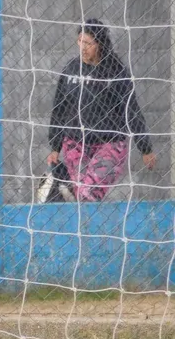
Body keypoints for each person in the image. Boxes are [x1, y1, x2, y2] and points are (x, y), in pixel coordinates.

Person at [44, 19, 156, 203]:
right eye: (80, 41)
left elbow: (131, 110)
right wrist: (55, 147)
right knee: (81, 196)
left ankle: (63, 187)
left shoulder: (116, 72)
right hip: (76, 143)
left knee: (88, 195)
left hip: (109, 144)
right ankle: (63, 187)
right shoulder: (71, 70)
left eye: (88, 43)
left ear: (100, 43)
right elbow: (59, 109)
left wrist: (145, 147)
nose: (83, 47)